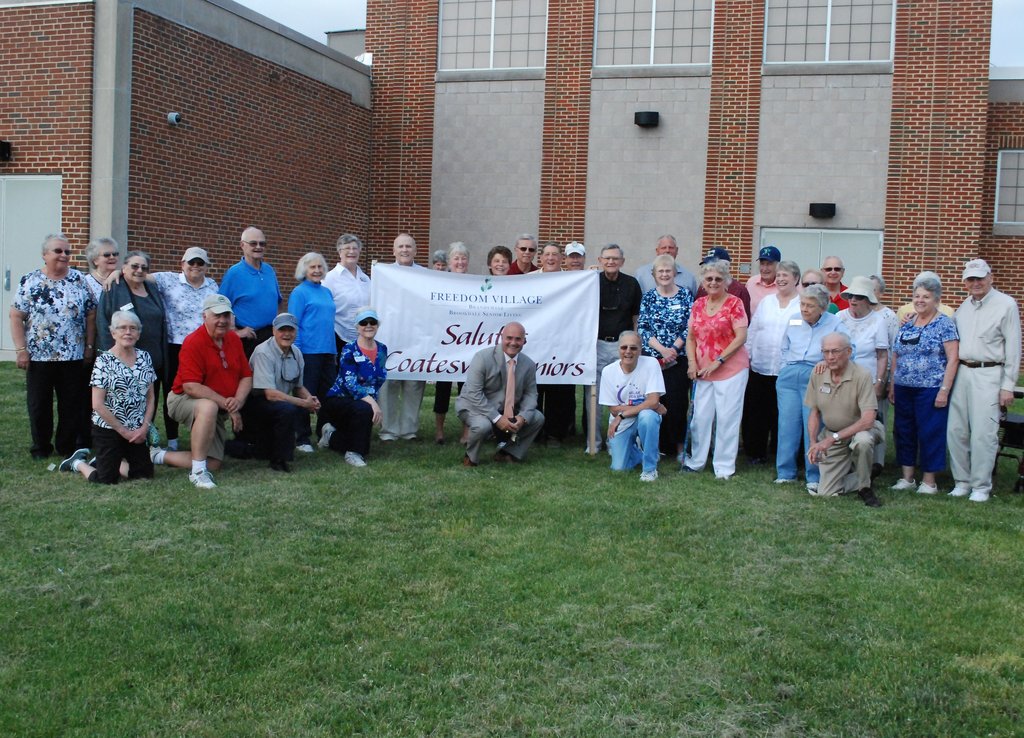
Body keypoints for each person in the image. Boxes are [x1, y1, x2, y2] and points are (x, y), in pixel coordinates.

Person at [152, 294, 253, 489]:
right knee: (208, 407)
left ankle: (158, 455)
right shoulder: (193, 341)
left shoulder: (233, 339)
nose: (222, 320)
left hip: (217, 403)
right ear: (204, 316)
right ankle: (198, 472)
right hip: (183, 399)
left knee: (214, 463)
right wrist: (228, 405)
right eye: (217, 315)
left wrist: (238, 401)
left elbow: (246, 376)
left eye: (226, 315)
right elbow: (191, 386)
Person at [10, 233, 96, 459]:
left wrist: (89, 346)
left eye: (67, 251)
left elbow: (91, 313)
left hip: (73, 356)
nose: (64, 255)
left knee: (71, 405)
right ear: (44, 255)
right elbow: (16, 315)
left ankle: (66, 446)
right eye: (58, 251)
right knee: (39, 405)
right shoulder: (30, 281)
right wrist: (21, 350)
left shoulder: (79, 279)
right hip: (39, 356)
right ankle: (41, 447)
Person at [946, 258, 1021, 502]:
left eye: (980, 278)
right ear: (965, 282)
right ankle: (962, 481)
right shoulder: (964, 307)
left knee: (983, 432)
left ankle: (981, 485)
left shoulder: (1006, 305)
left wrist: (1007, 385)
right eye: (971, 279)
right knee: (956, 430)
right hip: (962, 373)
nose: (975, 283)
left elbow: (1013, 348)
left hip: (989, 373)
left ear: (990, 278)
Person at [58, 311, 156, 484]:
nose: (128, 332)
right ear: (113, 333)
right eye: (122, 328)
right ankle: (78, 463)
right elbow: (97, 404)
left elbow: (151, 397)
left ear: (139, 333)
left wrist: (144, 427)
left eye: (133, 328)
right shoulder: (103, 361)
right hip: (109, 428)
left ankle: (110, 462)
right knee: (105, 479)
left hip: (137, 429)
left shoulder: (145, 357)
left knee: (143, 475)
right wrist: (123, 431)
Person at [774, 284, 850, 491]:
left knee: (813, 428)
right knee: (787, 425)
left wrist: (829, 362)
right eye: (802, 304)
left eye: (810, 305)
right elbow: (784, 347)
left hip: (816, 376)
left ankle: (814, 475)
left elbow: (850, 349)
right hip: (790, 375)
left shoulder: (835, 323)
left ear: (823, 308)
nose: (804, 309)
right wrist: (784, 368)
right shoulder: (794, 319)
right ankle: (785, 473)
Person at [889, 273, 959, 494]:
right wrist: (892, 385)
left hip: (930, 388)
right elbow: (896, 355)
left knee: (930, 432)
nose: (920, 300)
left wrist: (944, 390)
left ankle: (929, 481)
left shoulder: (944, 324)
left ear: (936, 300)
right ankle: (907, 478)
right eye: (917, 296)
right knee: (904, 430)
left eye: (926, 297)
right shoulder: (907, 323)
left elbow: (953, 358)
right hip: (903, 387)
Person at [683, 260, 750, 479]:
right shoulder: (698, 304)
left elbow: (741, 336)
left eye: (718, 279)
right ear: (703, 281)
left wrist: (718, 361)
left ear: (726, 282)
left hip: (731, 369)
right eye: (709, 278)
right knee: (701, 418)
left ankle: (723, 466)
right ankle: (696, 461)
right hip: (703, 372)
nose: (713, 282)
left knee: (727, 418)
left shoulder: (735, 303)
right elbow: (691, 337)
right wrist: (692, 363)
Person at [150, 247, 219, 451]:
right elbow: (138, 275)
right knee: (173, 391)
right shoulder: (168, 280)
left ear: (207, 266)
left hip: (201, 347)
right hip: (175, 346)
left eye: (200, 263)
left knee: (201, 392)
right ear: (182, 264)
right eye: (191, 263)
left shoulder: (212, 286)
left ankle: (203, 434)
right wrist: (117, 272)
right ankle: (172, 439)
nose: (195, 267)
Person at [805, 333, 884, 507]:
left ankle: (865, 488)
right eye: (825, 352)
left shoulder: (862, 375)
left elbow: (868, 420)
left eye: (835, 351)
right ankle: (867, 473)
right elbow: (814, 412)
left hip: (861, 430)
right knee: (826, 492)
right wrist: (813, 442)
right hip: (832, 436)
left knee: (863, 441)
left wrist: (831, 440)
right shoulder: (818, 373)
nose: (830, 357)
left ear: (848, 352)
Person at [239, 313, 320, 472]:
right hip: (256, 404)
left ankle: (274, 451)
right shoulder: (263, 352)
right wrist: (304, 403)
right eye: (282, 329)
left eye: (291, 329)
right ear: (273, 331)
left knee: (260, 451)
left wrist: (310, 399)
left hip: (278, 403)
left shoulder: (297, 353)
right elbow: (270, 394)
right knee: (287, 409)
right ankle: (279, 460)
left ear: (296, 332)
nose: (287, 334)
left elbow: (298, 386)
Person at [456, 321, 544, 465]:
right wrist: (497, 418)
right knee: (482, 425)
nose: (513, 343)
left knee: (537, 418)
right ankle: (470, 458)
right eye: (509, 338)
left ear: (524, 341)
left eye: (518, 339)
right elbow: (473, 393)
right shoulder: (482, 358)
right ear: (501, 338)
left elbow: (531, 394)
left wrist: (523, 417)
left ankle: (507, 453)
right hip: (474, 407)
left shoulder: (529, 365)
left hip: (507, 409)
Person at [742, 259, 802, 465]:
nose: (781, 279)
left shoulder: (801, 305)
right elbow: (753, 331)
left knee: (782, 413)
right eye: (779, 276)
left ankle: (779, 451)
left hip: (785, 368)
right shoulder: (767, 302)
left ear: (796, 279)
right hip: (760, 366)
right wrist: (747, 356)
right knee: (757, 412)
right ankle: (755, 452)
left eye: (786, 275)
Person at [98, 251, 167, 424]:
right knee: (125, 402)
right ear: (124, 268)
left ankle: (146, 434)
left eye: (144, 267)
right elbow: (103, 322)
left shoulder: (151, 288)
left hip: (152, 359)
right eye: (134, 266)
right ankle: (121, 436)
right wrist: (113, 357)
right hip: (125, 360)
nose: (139, 270)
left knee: (150, 400)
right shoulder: (114, 287)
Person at [638, 253, 694, 458]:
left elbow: (690, 326)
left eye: (668, 270)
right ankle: (656, 446)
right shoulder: (649, 297)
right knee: (654, 402)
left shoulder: (686, 295)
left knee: (678, 404)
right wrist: (662, 350)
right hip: (653, 360)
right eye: (660, 271)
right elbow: (643, 328)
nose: (664, 274)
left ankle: (680, 449)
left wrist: (674, 350)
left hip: (678, 360)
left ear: (675, 273)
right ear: (654, 274)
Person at [588, 244, 642, 452]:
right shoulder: (591, 282)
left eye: (615, 259)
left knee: (620, 397)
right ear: (600, 260)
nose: (611, 262)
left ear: (622, 261)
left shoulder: (631, 284)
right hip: (596, 345)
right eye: (607, 258)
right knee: (592, 396)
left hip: (623, 348)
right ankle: (593, 443)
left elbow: (636, 317)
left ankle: (615, 441)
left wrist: (635, 344)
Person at [319, 307, 387, 467]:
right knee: (364, 413)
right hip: (339, 400)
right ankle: (353, 453)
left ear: (378, 325)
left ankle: (330, 437)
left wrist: (372, 402)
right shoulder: (349, 349)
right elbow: (350, 383)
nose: (368, 325)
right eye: (364, 322)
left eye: (373, 322)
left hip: (362, 403)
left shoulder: (382, 349)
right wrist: (373, 403)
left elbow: (379, 379)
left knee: (362, 440)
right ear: (357, 326)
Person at [378, 233, 426, 441]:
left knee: (413, 385)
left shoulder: (426, 276)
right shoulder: (384, 274)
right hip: (390, 337)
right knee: (388, 385)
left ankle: (409, 429)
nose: (405, 250)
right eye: (401, 247)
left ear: (415, 251)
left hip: (417, 338)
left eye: (409, 246)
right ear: (394, 250)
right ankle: (388, 429)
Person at [600, 331, 665, 482]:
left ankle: (649, 469)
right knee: (619, 468)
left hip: (633, 417)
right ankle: (642, 452)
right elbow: (613, 409)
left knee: (648, 417)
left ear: (640, 350)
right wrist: (649, 404)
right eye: (624, 347)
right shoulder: (608, 371)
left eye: (633, 348)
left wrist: (623, 413)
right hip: (622, 423)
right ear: (618, 349)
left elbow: (653, 402)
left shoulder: (651, 363)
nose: (628, 351)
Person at [287, 252, 336, 452]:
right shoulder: (299, 293)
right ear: (304, 271)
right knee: (306, 395)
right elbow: (293, 324)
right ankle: (302, 439)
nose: (317, 270)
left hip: (328, 351)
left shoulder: (327, 292)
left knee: (328, 395)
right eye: (312, 267)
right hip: (307, 352)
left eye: (320, 267)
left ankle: (324, 434)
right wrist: (296, 352)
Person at [219, 225, 283, 357]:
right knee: (248, 377)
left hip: (270, 336)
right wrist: (234, 331)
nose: (258, 247)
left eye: (262, 243)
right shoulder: (234, 273)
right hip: (248, 338)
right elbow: (221, 305)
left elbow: (278, 301)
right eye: (253, 243)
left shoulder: (269, 270)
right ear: (242, 245)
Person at [535, 241, 574, 446]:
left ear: (562, 259)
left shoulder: (572, 281)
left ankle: (554, 434)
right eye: (547, 254)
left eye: (555, 254)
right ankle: (533, 431)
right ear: (540, 258)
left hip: (561, 343)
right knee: (533, 390)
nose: (551, 258)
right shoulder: (528, 280)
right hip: (534, 343)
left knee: (557, 391)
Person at [434, 241, 470, 444]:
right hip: (445, 345)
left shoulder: (475, 283)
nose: (460, 261)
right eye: (456, 258)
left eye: (463, 258)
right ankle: (439, 431)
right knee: (443, 388)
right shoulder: (439, 282)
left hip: (469, 345)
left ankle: (466, 432)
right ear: (449, 261)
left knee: (467, 390)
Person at [323, 233, 371, 355]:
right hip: (339, 338)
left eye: (355, 248)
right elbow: (325, 309)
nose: (351, 251)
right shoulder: (330, 278)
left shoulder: (366, 279)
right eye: (347, 248)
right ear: (339, 252)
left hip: (363, 337)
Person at [694, 248, 752, 321]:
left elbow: (745, 323)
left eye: (713, 265)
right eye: (707, 265)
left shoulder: (740, 290)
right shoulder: (703, 288)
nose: (709, 269)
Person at [83, 237, 121, 303]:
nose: (112, 257)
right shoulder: (85, 283)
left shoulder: (123, 278)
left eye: (115, 254)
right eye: (107, 255)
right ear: (95, 260)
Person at [746, 245, 781, 315]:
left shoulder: (783, 284)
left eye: (769, 264)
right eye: (762, 264)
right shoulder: (751, 283)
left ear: (778, 266)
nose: (764, 269)